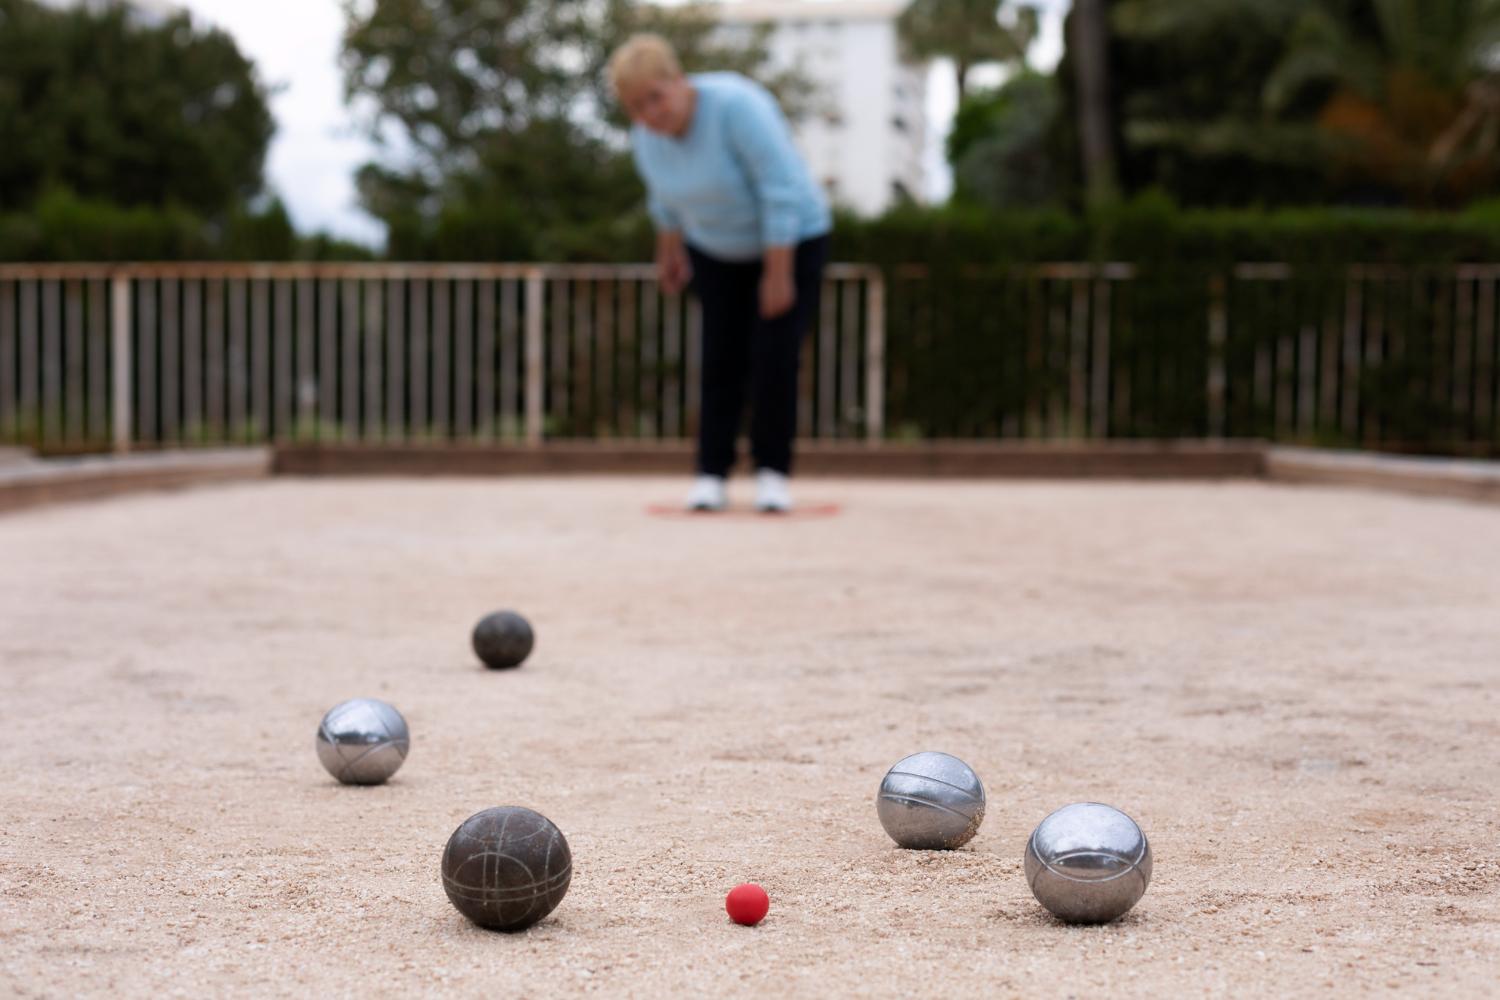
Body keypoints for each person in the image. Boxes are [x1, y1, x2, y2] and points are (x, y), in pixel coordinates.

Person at [609, 34, 831, 513]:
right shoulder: (647, 139)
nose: (650, 114)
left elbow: (780, 190)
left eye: (656, 97)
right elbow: (664, 200)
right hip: (713, 248)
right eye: (636, 107)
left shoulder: (737, 105)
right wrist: (668, 253)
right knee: (719, 358)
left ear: (679, 81)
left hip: (790, 239)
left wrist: (777, 273)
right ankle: (711, 473)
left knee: (774, 357)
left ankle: (772, 473)